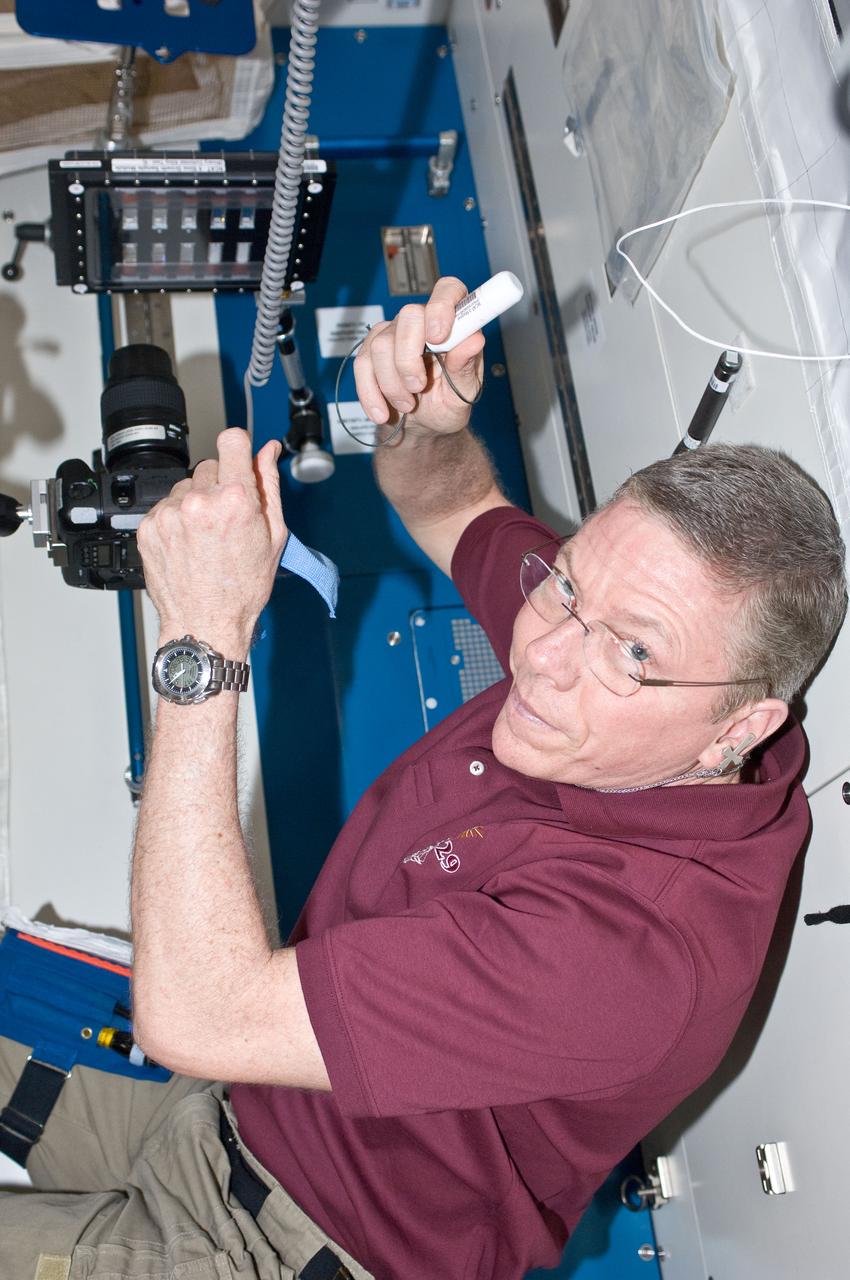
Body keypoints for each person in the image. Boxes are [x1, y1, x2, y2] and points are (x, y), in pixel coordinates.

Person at [0, 277, 846, 1280]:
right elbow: (454, 501)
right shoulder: (640, 673)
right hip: (228, 1105)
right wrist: (420, 420)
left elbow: (202, 1013)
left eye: (629, 653)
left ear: (738, 726)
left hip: (294, 1243)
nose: (540, 654)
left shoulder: (630, 954)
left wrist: (199, 641)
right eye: (566, 581)